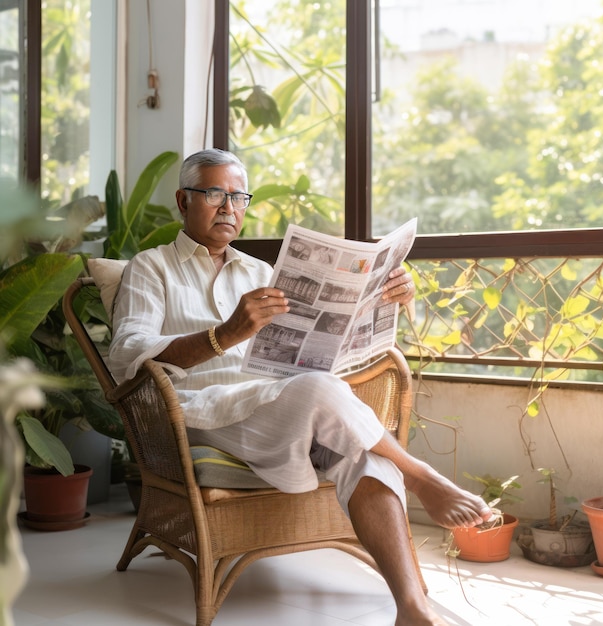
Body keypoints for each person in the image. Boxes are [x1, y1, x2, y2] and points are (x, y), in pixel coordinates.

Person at [108, 149, 493, 626]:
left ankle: (411, 609)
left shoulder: (259, 273)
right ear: (183, 201)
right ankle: (421, 476)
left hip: (274, 406)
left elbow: (312, 345)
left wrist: (385, 299)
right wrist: (222, 336)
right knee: (317, 389)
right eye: (213, 194)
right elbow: (127, 356)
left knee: (358, 443)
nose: (228, 207)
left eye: (238, 196)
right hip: (202, 413)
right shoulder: (150, 268)